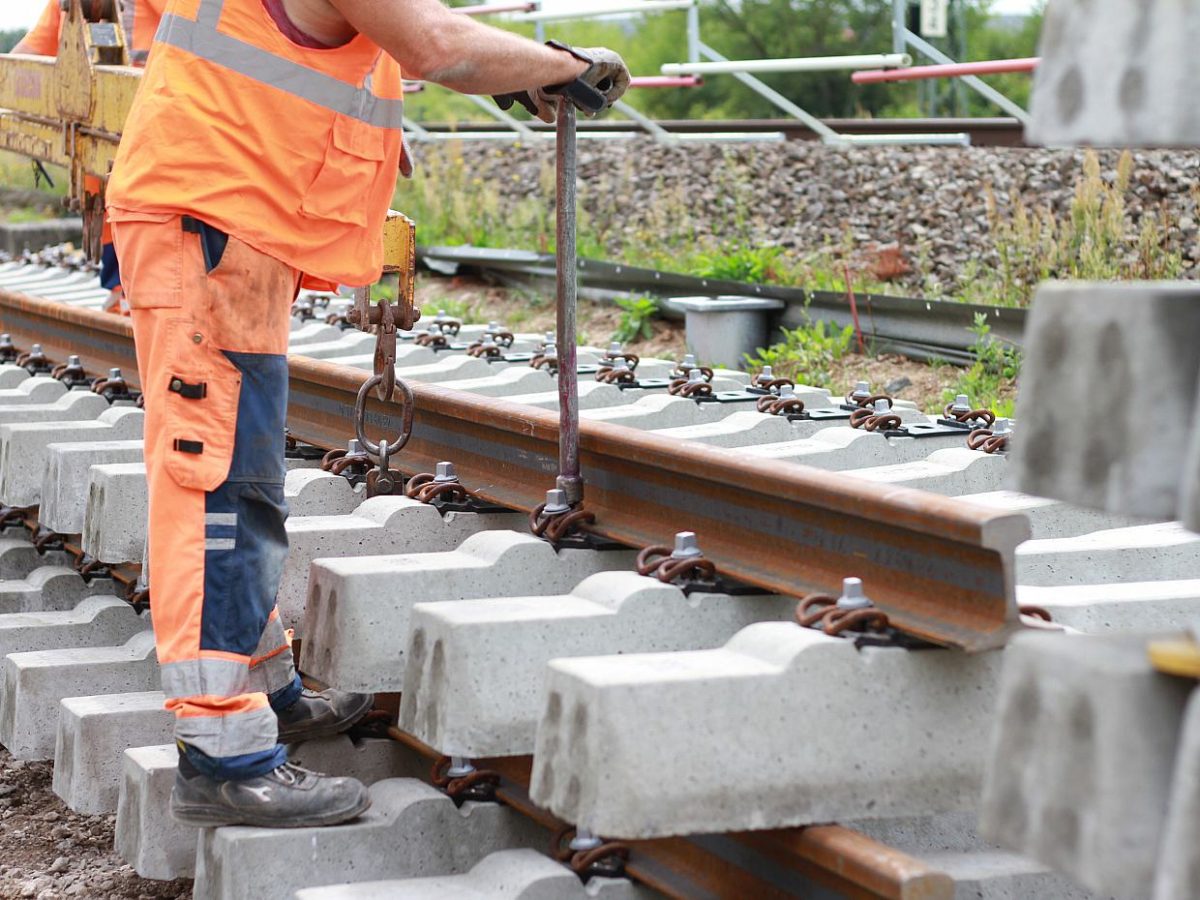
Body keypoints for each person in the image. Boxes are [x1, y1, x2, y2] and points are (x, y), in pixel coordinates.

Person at [105, 0, 629, 828]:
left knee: (244, 476)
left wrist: (516, 67)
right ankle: (221, 759)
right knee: (212, 483)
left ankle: (266, 693)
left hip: (231, 221)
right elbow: (436, 43)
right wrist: (561, 64)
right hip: (210, 218)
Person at [13, 0, 167, 314]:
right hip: (125, 178)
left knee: (148, 289)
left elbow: (24, 58)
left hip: (149, 173)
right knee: (134, 288)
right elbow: (24, 60)